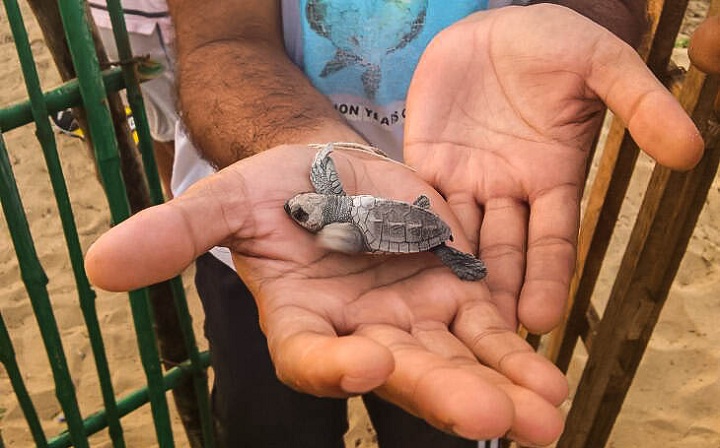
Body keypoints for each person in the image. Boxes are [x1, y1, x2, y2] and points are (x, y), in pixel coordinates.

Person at [85, 1, 704, 447]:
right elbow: (224, 38)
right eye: (308, 213)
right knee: (266, 427)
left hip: (458, 227)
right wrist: (308, 147)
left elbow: (356, 234)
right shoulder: (316, 221)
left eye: (308, 211)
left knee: (457, 422)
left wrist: (582, 18)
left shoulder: (337, 222)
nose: (306, 213)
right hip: (262, 262)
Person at [89, 0, 179, 197]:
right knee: (185, 135)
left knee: (162, 128)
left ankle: (181, 203)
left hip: (117, 16)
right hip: (149, 21)